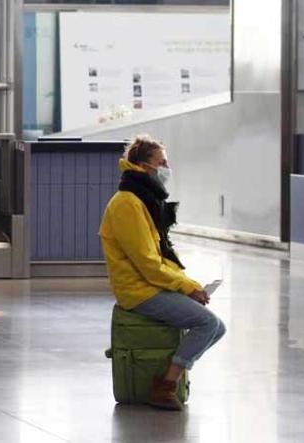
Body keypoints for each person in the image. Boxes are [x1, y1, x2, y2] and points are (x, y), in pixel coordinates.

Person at [99, 135, 226, 411]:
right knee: (207, 325)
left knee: (218, 327)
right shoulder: (127, 204)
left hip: (150, 285)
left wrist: (187, 283)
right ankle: (165, 386)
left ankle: (168, 379)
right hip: (139, 290)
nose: (167, 168)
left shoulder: (142, 200)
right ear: (145, 166)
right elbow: (147, 263)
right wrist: (185, 286)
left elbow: (157, 257)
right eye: (163, 163)